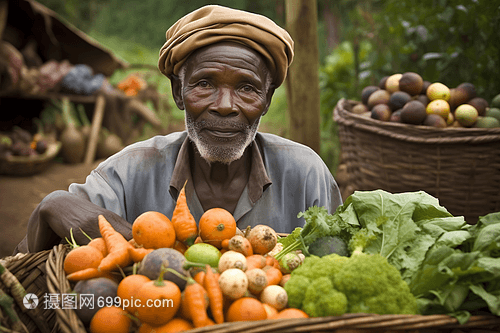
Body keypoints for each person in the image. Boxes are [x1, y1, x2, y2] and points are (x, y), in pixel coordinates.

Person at [14, 5, 342, 254]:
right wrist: (54, 204)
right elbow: (23, 271)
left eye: (246, 88)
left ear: (267, 100)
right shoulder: (129, 172)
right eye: (204, 84)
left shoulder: (305, 173)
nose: (225, 105)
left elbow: (338, 269)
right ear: (177, 93)